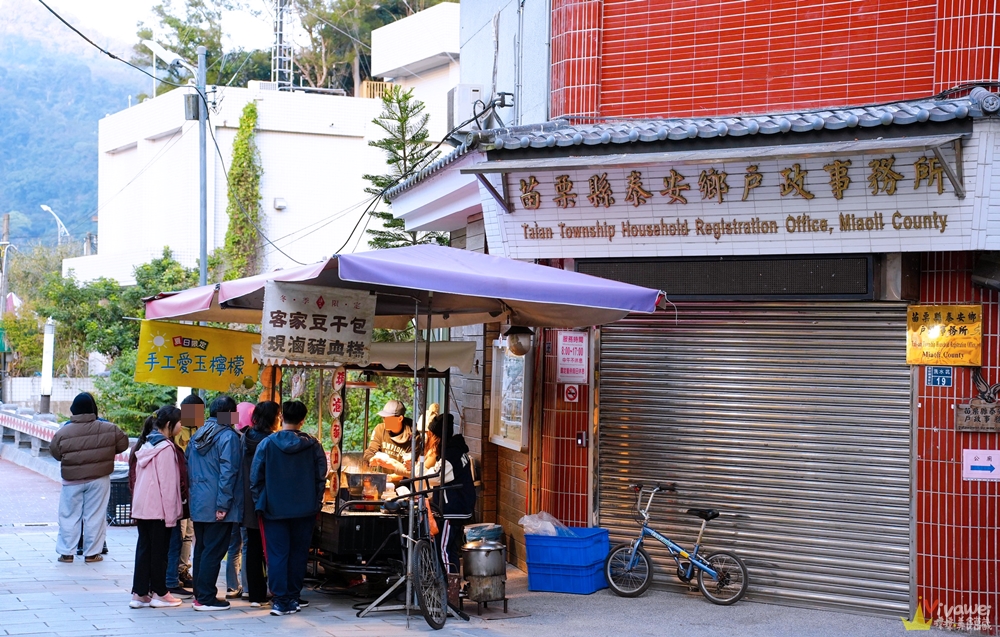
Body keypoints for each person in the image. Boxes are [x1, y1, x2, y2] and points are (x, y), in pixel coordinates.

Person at [250, 400, 327, 616]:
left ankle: (280, 601)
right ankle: (293, 597)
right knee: (299, 554)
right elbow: (320, 478)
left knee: (276, 555)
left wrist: (261, 501)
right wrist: (315, 502)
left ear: (281, 417)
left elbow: (255, 478)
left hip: (273, 509)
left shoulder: (267, 443)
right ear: (303, 420)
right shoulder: (313, 445)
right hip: (305, 509)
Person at [50, 392, 128, 564]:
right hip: (99, 479)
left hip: (72, 481)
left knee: (69, 515)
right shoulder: (109, 428)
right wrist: (105, 451)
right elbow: (123, 444)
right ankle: (92, 554)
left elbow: (55, 453)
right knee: (95, 515)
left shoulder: (63, 431)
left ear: (73, 409)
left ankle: (66, 553)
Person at [186, 395, 243, 611]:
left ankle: (200, 595)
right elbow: (229, 473)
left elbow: (189, 468)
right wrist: (223, 505)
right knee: (214, 550)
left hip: (199, 502)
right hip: (218, 503)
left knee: (201, 548)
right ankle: (206, 597)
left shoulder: (198, 434)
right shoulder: (228, 437)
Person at [130, 404, 191, 600]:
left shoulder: (146, 444)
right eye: (180, 422)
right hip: (159, 510)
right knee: (159, 552)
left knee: (144, 550)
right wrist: (172, 515)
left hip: (143, 507)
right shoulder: (165, 448)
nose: (182, 426)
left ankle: (140, 594)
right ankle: (160, 592)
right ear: (168, 424)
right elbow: (168, 484)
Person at [423, 413, 477, 575]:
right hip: (458, 507)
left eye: (430, 435)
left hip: (451, 510)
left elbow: (434, 478)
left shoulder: (450, 457)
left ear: (437, 437)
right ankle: (452, 586)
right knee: (450, 548)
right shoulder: (456, 451)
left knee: (443, 549)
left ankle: (449, 588)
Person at [241, 401, 280, 607]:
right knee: (273, 547)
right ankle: (276, 590)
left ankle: (255, 594)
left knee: (253, 547)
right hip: (268, 499)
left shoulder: (245, 438)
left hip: (248, 499)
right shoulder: (272, 442)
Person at [170, 393, 205, 590]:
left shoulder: (201, 430)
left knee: (190, 533)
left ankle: (184, 569)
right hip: (180, 491)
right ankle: (173, 573)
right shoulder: (177, 431)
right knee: (181, 532)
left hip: (197, 491)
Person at [363, 399, 413, 480]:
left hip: (405, 483)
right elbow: (369, 452)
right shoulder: (380, 429)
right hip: (384, 480)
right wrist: (372, 459)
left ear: (400, 418)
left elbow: (413, 468)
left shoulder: (412, 434)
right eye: (383, 417)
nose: (384, 420)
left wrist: (393, 477)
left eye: (387, 418)